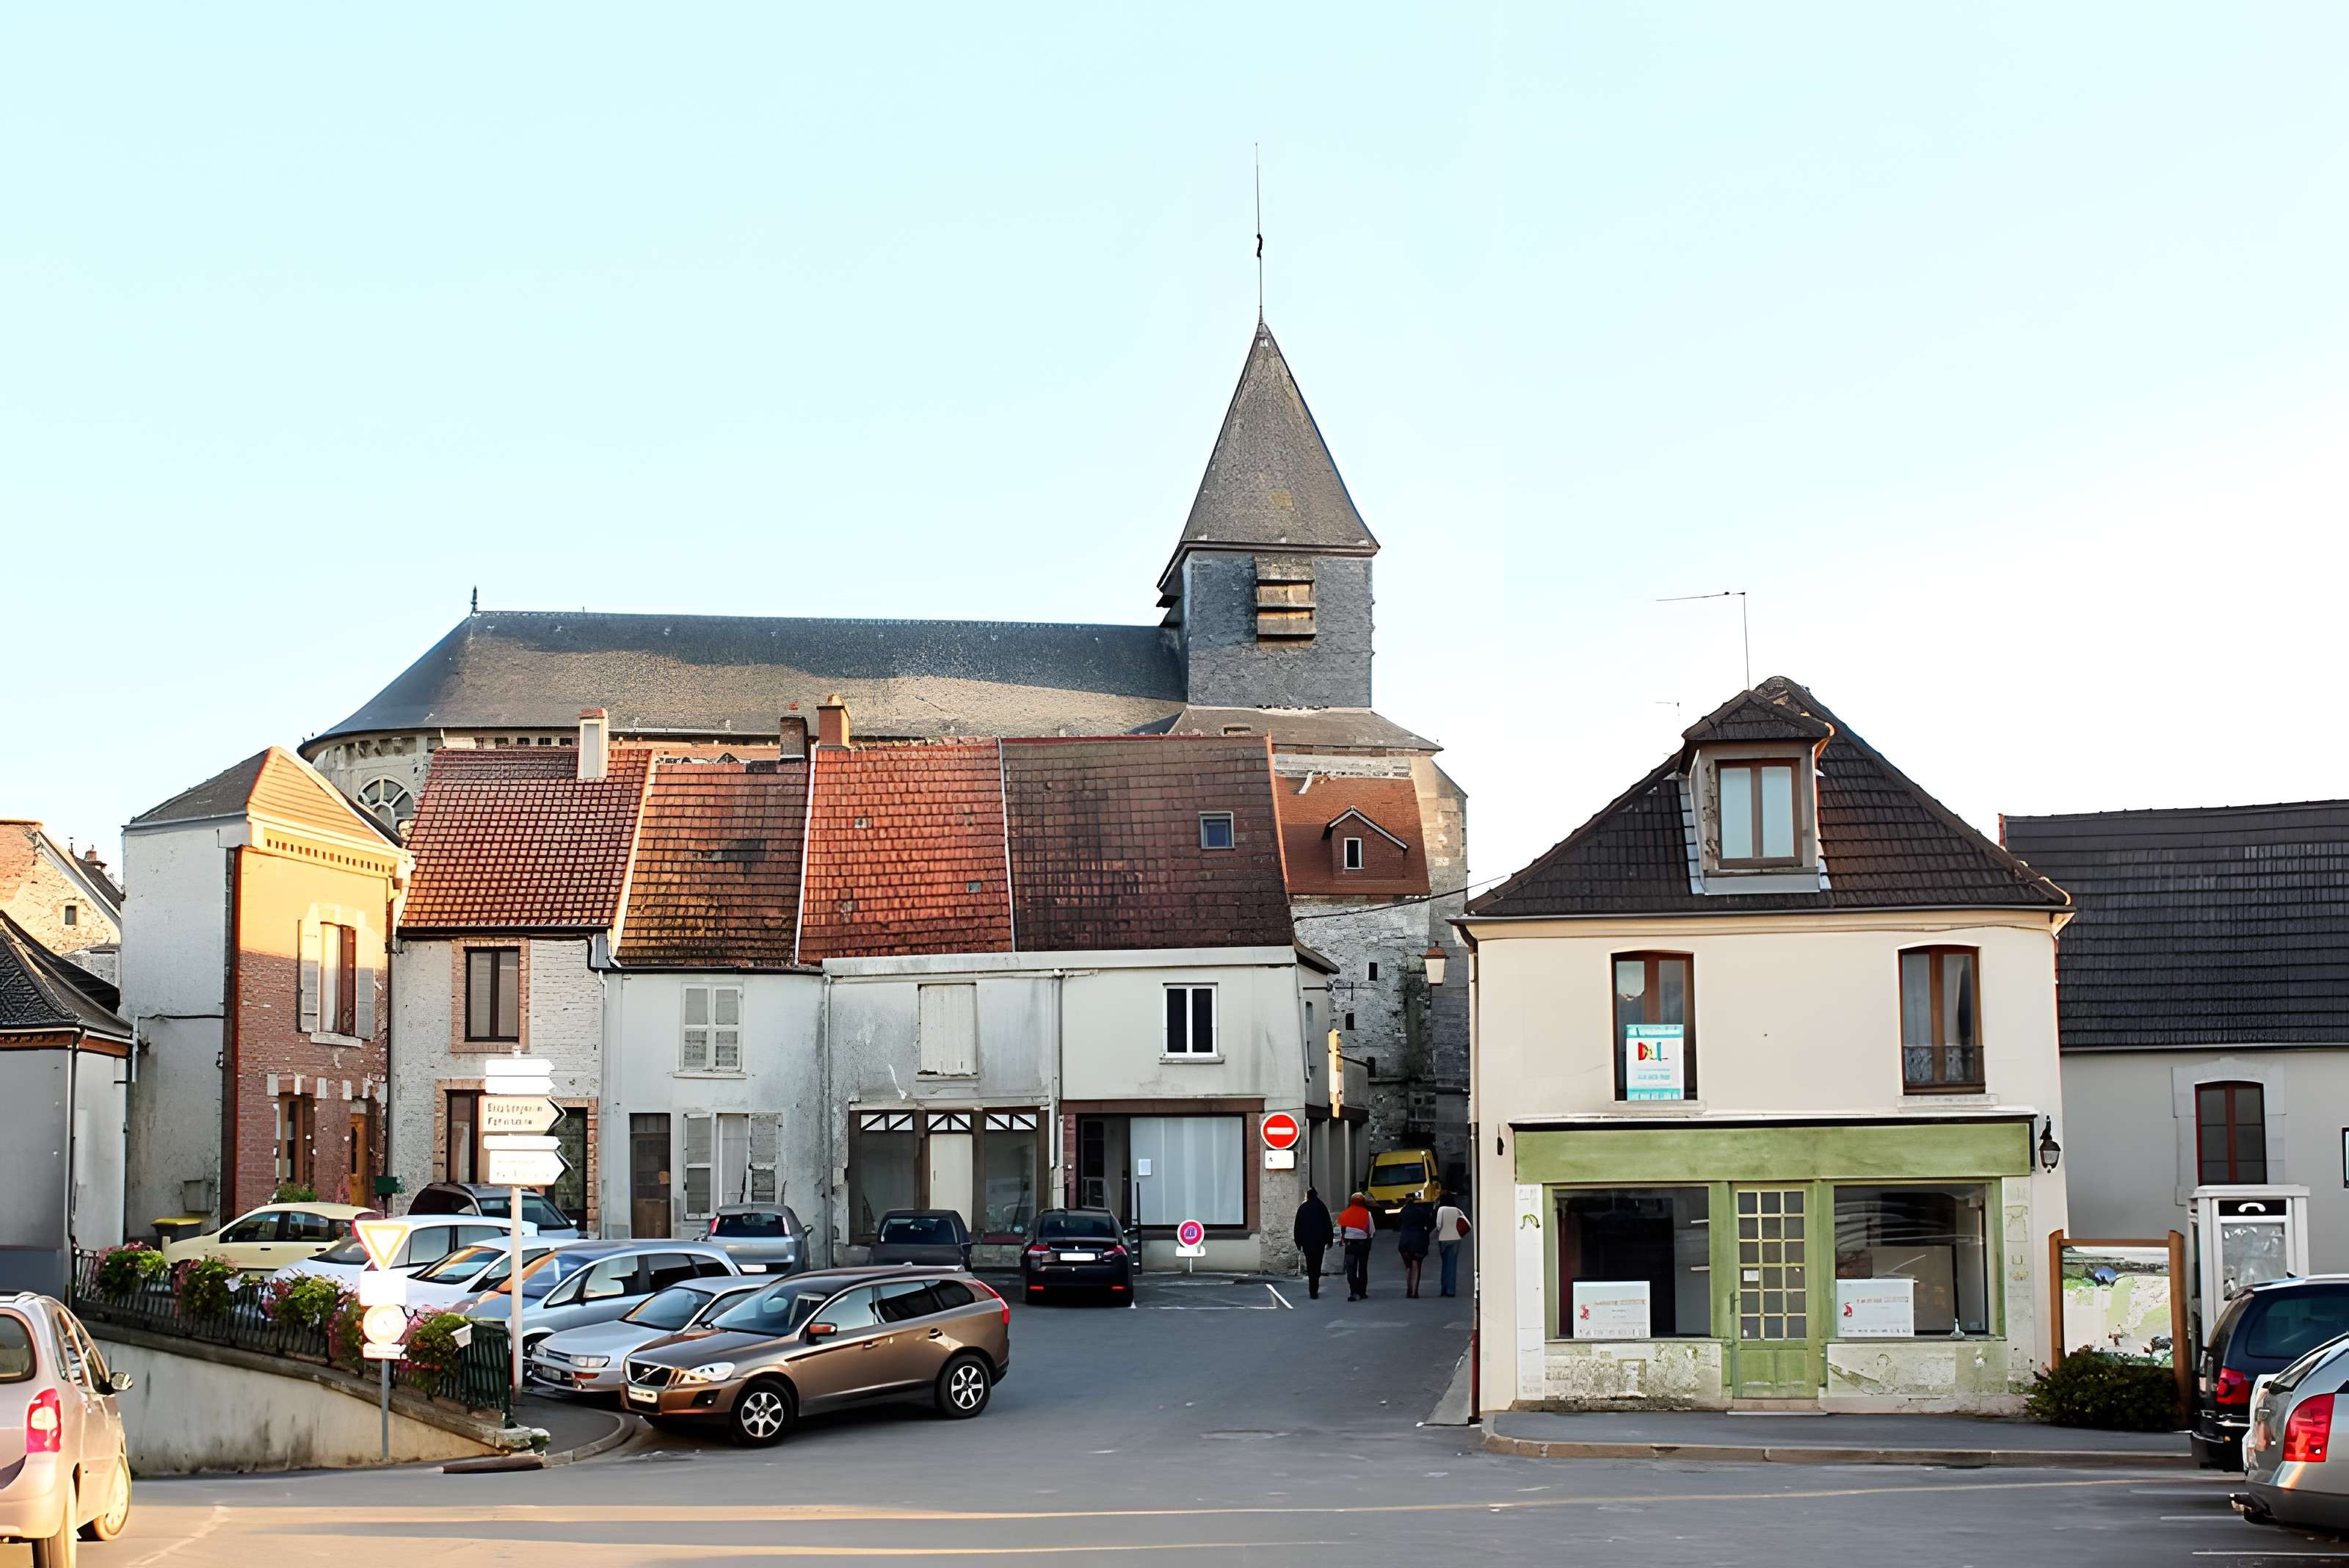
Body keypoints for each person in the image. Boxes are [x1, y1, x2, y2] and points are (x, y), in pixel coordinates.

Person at [1292, 1188, 1335, 1299]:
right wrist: (1330, 1240)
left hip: (1307, 1243)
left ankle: (1312, 1290)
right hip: (1319, 1242)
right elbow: (1328, 1224)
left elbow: (1297, 1227)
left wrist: (1298, 1242)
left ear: (1307, 1195)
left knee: (1310, 1265)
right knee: (1317, 1264)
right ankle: (1315, 1287)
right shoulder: (1321, 1207)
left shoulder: (1302, 1208)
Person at [1396, 1193, 1437, 1298]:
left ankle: (1409, 1290)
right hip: (1419, 1240)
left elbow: (1397, 1225)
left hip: (1404, 1241)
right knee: (1416, 1265)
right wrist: (1426, 1232)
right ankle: (1414, 1292)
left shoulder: (1403, 1211)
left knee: (1408, 1266)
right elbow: (1430, 1223)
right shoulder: (1421, 1211)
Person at [1337, 1191, 1376, 1301]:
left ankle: (1353, 1291)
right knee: (1362, 1268)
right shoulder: (1366, 1213)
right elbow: (1372, 1230)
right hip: (1363, 1244)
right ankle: (1362, 1292)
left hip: (1350, 1244)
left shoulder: (1346, 1213)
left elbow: (1342, 1229)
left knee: (1351, 1268)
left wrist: (1343, 1240)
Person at [1433, 1195, 1470, 1298]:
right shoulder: (1457, 1210)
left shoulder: (1441, 1209)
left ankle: (1444, 1289)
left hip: (1444, 1240)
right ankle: (1451, 1290)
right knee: (1453, 1264)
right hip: (1456, 1239)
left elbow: (1439, 1224)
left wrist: (1437, 1232)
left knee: (1445, 1264)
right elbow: (1467, 1223)